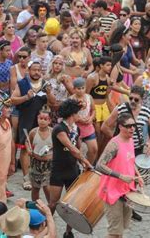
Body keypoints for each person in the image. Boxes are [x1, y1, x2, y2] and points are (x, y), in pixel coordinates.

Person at [48, 99, 92, 238]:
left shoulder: (76, 129)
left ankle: (68, 232)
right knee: (53, 203)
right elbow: (72, 148)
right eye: (78, 113)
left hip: (72, 169)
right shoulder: (59, 129)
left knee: (72, 205)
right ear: (73, 113)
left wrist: (81, 162)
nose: (80, 115)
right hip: (58, 170)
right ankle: (45, 228)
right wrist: (85, 161)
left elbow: (78, 147)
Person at [11, 60, 56, 191]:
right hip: (26, 119)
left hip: (42, 120)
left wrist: (48, 93)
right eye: (34, 70)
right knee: (26, 148)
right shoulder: (22, 83)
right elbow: (13, 100)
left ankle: (42, 175)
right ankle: (26, 178)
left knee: (44, 147)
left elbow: (53, 103)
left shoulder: (45, 84)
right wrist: (26, 97)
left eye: (39, 70)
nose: (36, 72)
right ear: (29, 71)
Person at [97, 113, 143, 237]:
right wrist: (121, 176)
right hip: (113, 192)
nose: (132, 129)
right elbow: (100, 165)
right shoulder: (114, 144)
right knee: (114, 232)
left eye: (133, 125)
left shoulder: (131, 140)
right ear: (120, 127)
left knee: (120, 230)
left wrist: (137, 175)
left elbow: (130, 161)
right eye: (128, 126)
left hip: (127, 191)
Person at [102, 85, 150, 156]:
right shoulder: (120, 108)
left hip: (137, 149)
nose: (132, 101)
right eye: (130, 98)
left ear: (142, 100)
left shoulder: (145, 111)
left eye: (136, 99)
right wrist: (116, 140)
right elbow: (104, 127)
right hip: (121, 148)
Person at [27, 107, 53, 202]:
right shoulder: (33, 132)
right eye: (40, 118)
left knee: (47, 187)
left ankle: (51, 206)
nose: (42, 121)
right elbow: (27, 142)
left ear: (49, 121)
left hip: (49, 165)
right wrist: (29, 149)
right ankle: (35, 206)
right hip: (35, 164)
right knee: (35, 188)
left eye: (45, 119)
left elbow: (58, 147)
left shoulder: (53, 132)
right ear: (37, 119)